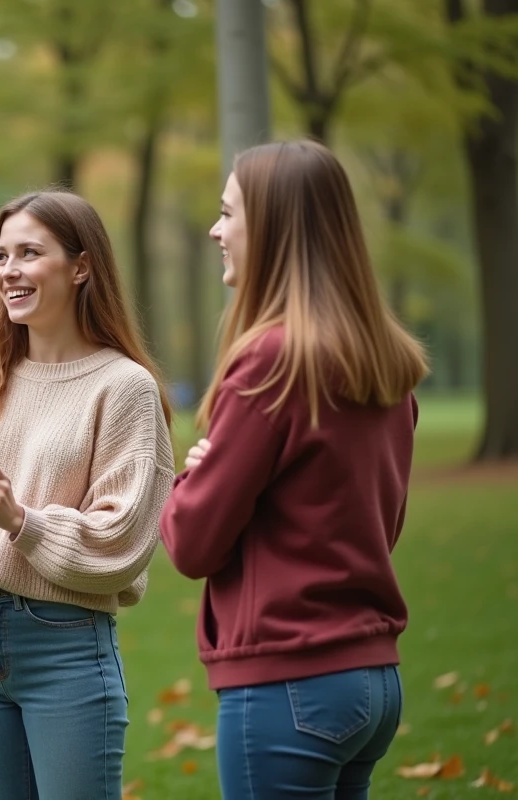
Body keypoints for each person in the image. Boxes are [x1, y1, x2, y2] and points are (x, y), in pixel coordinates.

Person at [160, 140, 429, 798]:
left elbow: (192, 544)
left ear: (275, 228)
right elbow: (372, 524)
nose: (215, 230)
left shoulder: (271, 363)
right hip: (372, 679)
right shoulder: (383, 359)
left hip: (289, 682)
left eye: (229, 213)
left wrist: (189, 481)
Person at [0, 190, 175, 799]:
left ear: (80, 266)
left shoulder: (124, 387)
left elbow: (121, 540)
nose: (8, 271)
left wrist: (21, 520)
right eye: (1, 256)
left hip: (66, 644)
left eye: (29, 253)